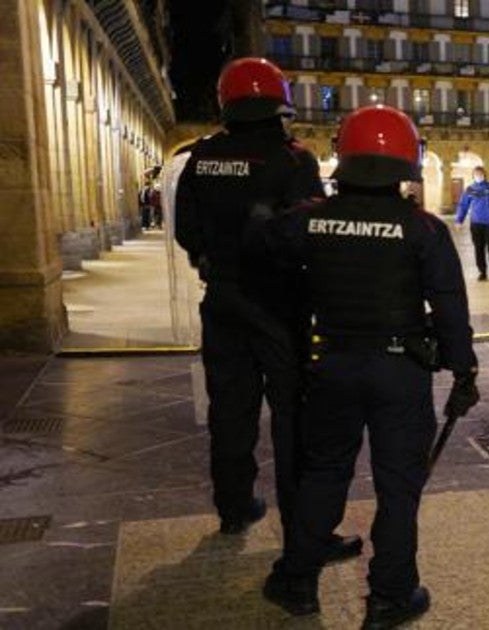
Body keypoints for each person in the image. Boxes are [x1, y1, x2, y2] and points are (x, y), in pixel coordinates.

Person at [262, 105, 480, 628]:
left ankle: (297, 581)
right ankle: (391, 595)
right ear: (409, 161)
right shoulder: (423, 229)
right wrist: (464, 371)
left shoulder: (308, 219)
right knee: (399, 485)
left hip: (331, 362)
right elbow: (450, 308)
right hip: (400, 370)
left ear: (345, 156)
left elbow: (260, 254)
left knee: (323, 473)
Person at [173, 57, 361, 563]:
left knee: (229, 410)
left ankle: (234, 507)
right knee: (293, 417)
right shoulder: (293, 160)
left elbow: (185, 232)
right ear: (278, 106)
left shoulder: (201, 157)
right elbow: (311, 234)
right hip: (279, 305)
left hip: (223, 301)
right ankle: (305, 526)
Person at [455, 166, 489, 281]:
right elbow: (463, 205)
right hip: (476, 223)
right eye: (476, 174)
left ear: (484, 174)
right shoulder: (470, 189)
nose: (478, 175)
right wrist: (459, 220)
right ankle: (482, 272)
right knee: (479, 248)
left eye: (480, 173)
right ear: (473, 176)